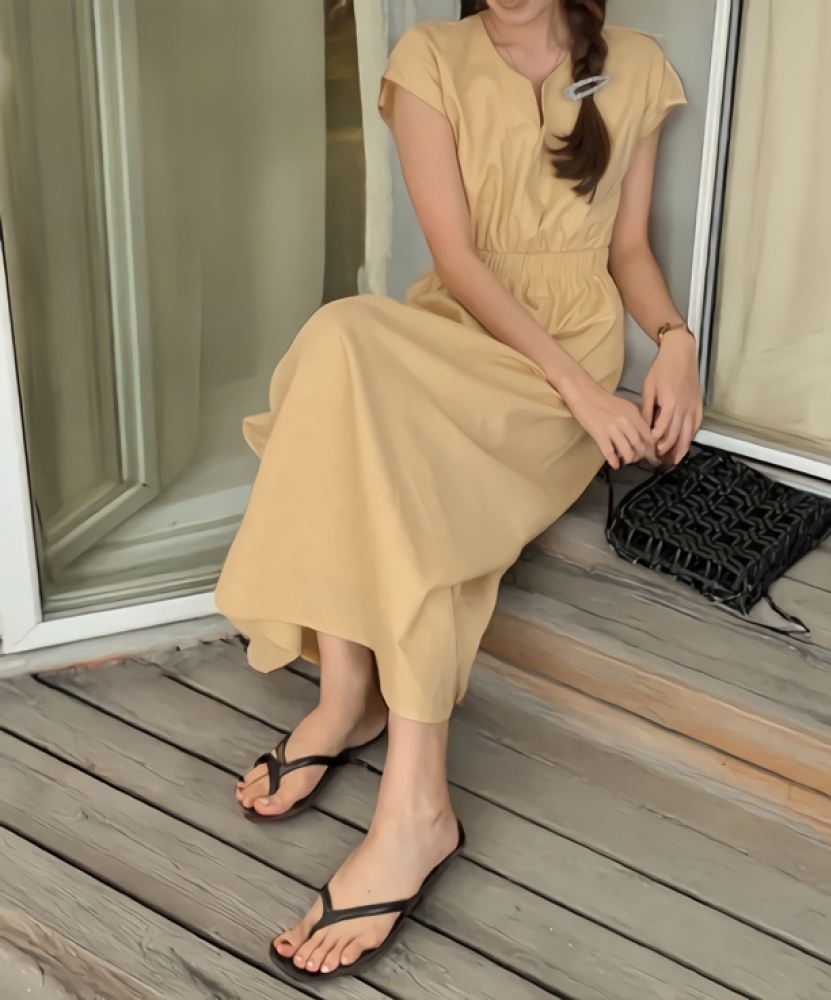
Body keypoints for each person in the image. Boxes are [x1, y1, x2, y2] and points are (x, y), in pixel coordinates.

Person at [215, 0, 702, 981]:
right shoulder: (430, 57)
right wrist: (583, 394)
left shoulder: (638, 64)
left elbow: (627, 250)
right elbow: (456, 259)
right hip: (466, 333)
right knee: (343, 347)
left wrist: (674, 342)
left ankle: (414, 810)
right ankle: (350, 699)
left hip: (559, 369)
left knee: (397, 457)